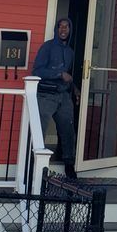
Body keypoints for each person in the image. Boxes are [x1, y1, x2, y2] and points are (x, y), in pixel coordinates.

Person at [32, 18, 80, 179]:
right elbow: (37, 71)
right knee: (40, 130)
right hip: (46, 95)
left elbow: (68, 77)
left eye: (66, 27)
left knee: (68, 130)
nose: (63, 29)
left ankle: (69, 166)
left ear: (70, 30)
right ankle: (33, 167)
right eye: (60, 26)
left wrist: (74, 89)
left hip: (64, 96)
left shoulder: (70, 52)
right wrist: (59, 74)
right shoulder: (47, 47)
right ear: (56, 29)